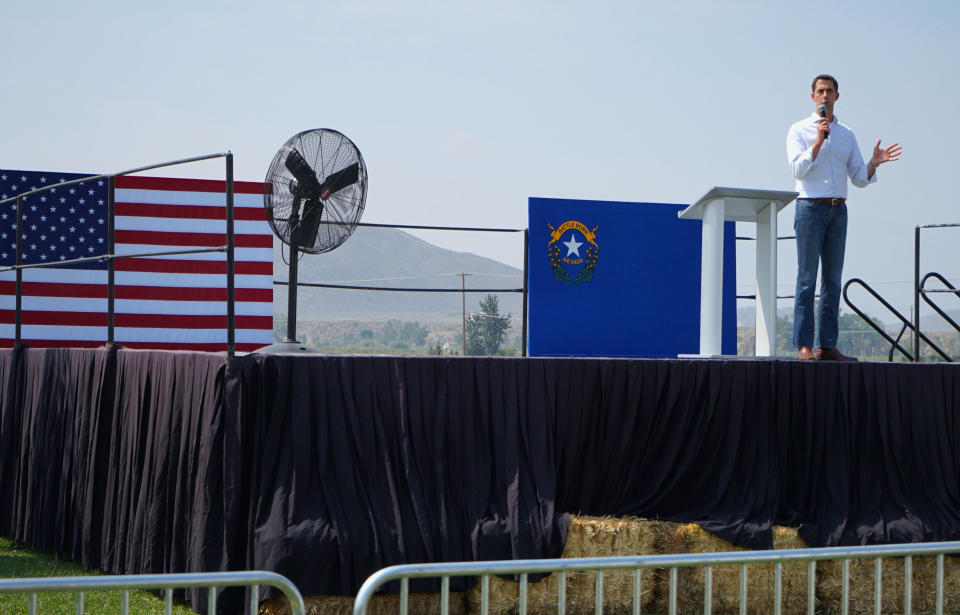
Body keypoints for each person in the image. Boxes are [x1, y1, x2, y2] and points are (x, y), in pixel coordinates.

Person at [786, 74, 901, 361]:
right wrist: (817, 142)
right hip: (810, 208)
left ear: (837, 96)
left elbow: (859, 178)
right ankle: (804, 345)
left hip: (839, 210)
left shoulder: (847, 134)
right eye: (820, 91)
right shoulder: (799, 130)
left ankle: (827, 345)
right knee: (806, 279)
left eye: (830, 91)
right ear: (812, 96)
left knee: (833, 280)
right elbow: (797, 171)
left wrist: (874, 163)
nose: (825, 96)